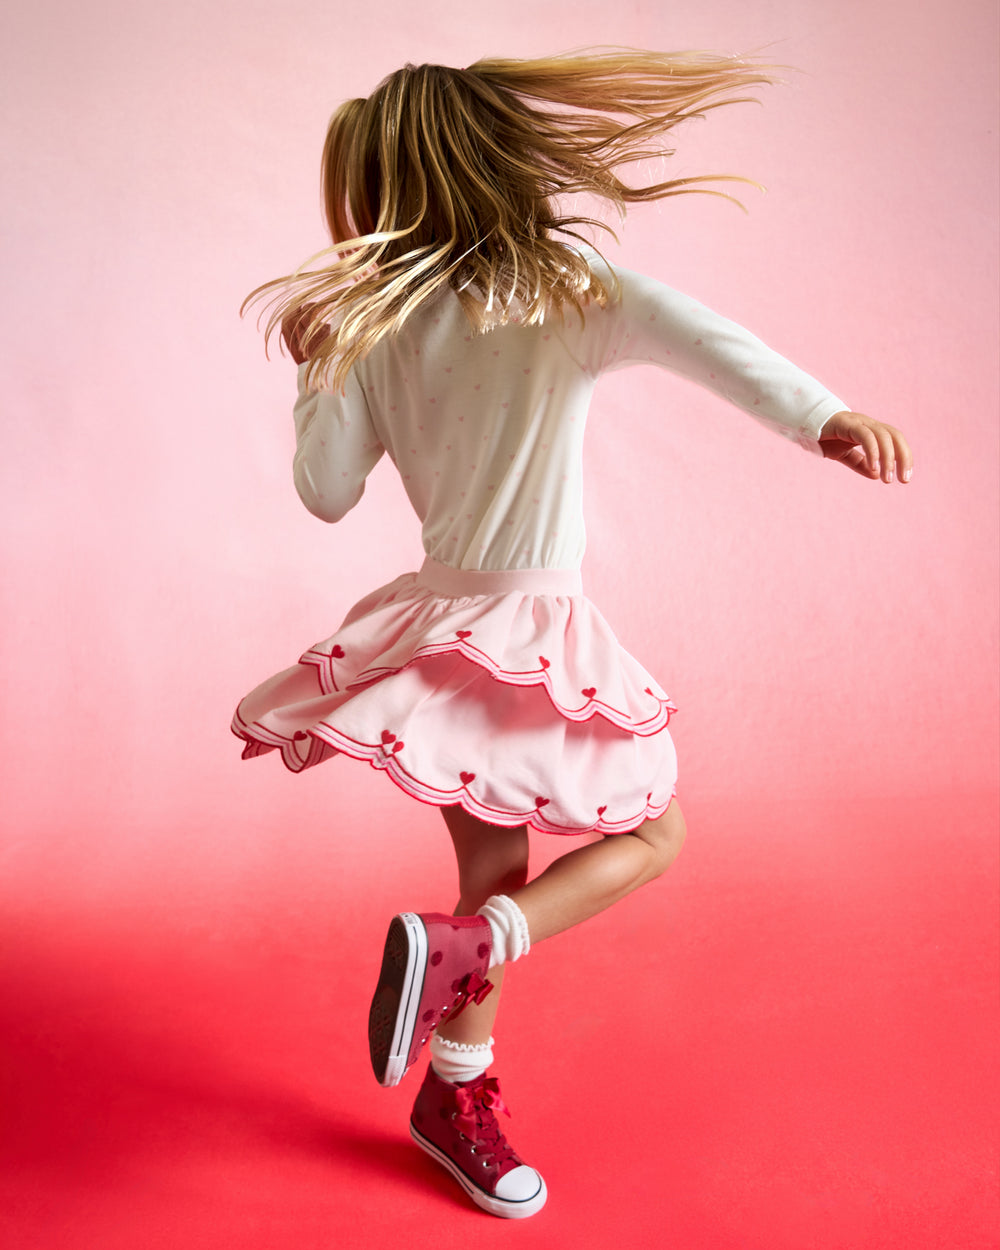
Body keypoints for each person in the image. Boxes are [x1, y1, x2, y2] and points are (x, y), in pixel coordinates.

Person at [234, 50, 912, 1219]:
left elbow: (326, 490)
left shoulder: (377, 324)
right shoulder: (563, 287)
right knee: (652, 835)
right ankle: (473, 968)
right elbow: (707, 340)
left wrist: (318, 366)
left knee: (492, 863)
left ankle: (458, 1083)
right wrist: (824, 417)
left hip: (437, 630)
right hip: (528, 624)